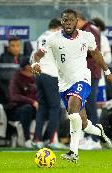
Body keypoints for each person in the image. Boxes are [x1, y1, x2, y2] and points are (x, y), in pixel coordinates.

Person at [32, 9, 112, 163]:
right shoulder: (53, 38)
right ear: (61, 22)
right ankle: (100, 132)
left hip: (82, 78)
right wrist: (35, 63)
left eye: (71, 20)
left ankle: (73, 152)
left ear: (77, 21)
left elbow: (96, 54)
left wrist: (108, 71)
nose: (68, 22)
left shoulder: (87, 36)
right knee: (83, 123)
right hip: (64, 83)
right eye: (65, 20)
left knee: (72, 110)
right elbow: (37, 53)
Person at [31, 18, 66, 149]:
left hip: (39, 75)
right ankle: (52, 140)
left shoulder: (40, 37)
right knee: (55, 108)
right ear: (58, 28)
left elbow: (34, 56)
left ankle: (37, 139)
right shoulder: (56, 37)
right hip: (51, 75)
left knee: (42, 108)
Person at [76, 12, 103, 146]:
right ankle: (89, 137)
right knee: (86, 105)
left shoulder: (91, 31)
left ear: (81, 20)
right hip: (86, 73)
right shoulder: (84, 31)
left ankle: (95, 140)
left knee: (91, 106)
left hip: (91, 73)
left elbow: (93, 50)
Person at [8, 56, 38, 148]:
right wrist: (32, 102)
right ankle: (27, 140)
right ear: (25, 66)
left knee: (53, 108)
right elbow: (14, 96)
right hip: (17, 109)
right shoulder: (16, 78)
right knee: (27, 109)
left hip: (35, 107)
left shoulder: (37, 77)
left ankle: (45, 139)